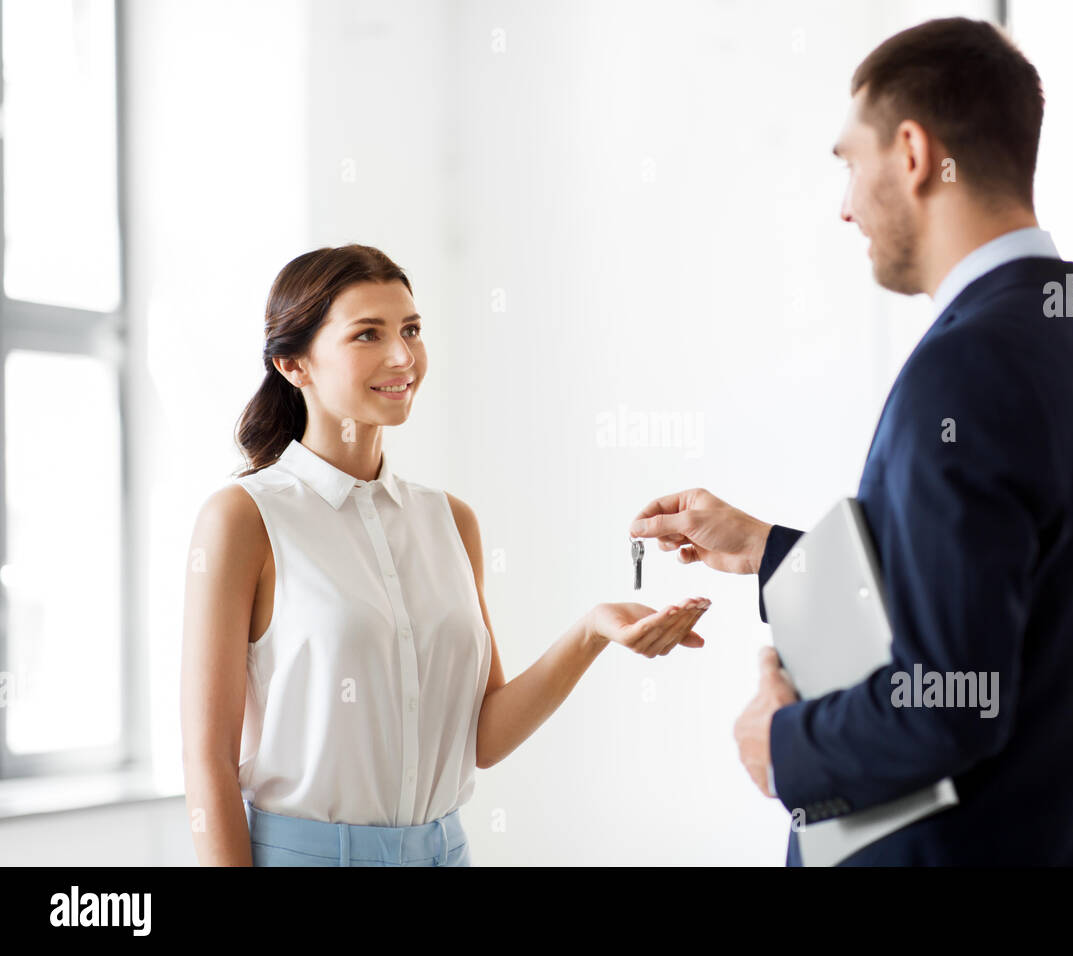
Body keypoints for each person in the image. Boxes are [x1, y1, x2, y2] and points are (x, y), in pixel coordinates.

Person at [629, 17, 1073, 866]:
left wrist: (782, 746)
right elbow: (993, 595)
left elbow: (949, 703)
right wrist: (770, 551)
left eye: (850, 162)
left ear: (913, 153)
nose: (846, 205)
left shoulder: (967, 367)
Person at [180, 244, 710, 866]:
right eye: (367, 335)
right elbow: (207, 761)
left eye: (411, 330)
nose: (402, 357)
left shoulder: (451, 521)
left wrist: (592, 631)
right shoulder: (244, 518)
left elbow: (483, 737)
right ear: (294, 363)